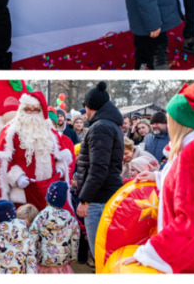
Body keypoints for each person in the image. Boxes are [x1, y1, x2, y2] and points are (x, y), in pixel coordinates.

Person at [123, 82, 194, 274]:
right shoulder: (187, 148)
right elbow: (183, 184)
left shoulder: (193, 150)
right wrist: (158, 176)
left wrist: (150, 253)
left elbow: (191, 217)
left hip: (183, 253)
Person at [0, 91, 73, 211]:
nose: (32, 113)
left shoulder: (50, 131)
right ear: (22, 110)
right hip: (21, 194)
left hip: (48, 192)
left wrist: (60, 169)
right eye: (28, 110)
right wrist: (17, 177)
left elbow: (61, 156)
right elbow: (1, 161)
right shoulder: (10, 132)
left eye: (36, 110)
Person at [74, 81, 124, 264]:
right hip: (105, 195)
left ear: (90, 106)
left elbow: (98, 169)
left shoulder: (100, 127)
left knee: (101, 255)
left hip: (98, 199)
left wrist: (85, 199)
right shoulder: (110, 124)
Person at [29, 181, 80, 274]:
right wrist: (73, 257)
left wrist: (32, 256)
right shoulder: (71, 220)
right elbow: (75, 240)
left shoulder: (40, 217)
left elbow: (32, 236)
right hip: (62, 265)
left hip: (42, 264)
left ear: (47, 199)